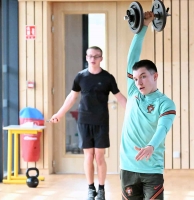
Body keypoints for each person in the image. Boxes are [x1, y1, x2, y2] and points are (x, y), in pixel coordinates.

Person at [49, 46, 126, 200]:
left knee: (99, 156)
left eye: (96, 56)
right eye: (90, 56)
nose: (93, 59)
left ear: (101, 58)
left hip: (101, 122)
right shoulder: (80, 77)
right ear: (86, 57)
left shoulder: (107, 78)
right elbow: (71, 98)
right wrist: (59, 114)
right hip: (84, 121)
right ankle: (91, 189)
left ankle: (101, 189)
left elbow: (120, 98)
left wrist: (134, 114)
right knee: (88, 156)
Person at [119, 11, 176, 199]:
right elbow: (132, 57)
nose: (139, 82)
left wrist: (151, 146)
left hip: (151, 169)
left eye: (143, 76)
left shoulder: (165, 103)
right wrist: (143, 27)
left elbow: (163, 128)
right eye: (135, 78)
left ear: (155, 76)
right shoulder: (133, 92)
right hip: (127, 166)